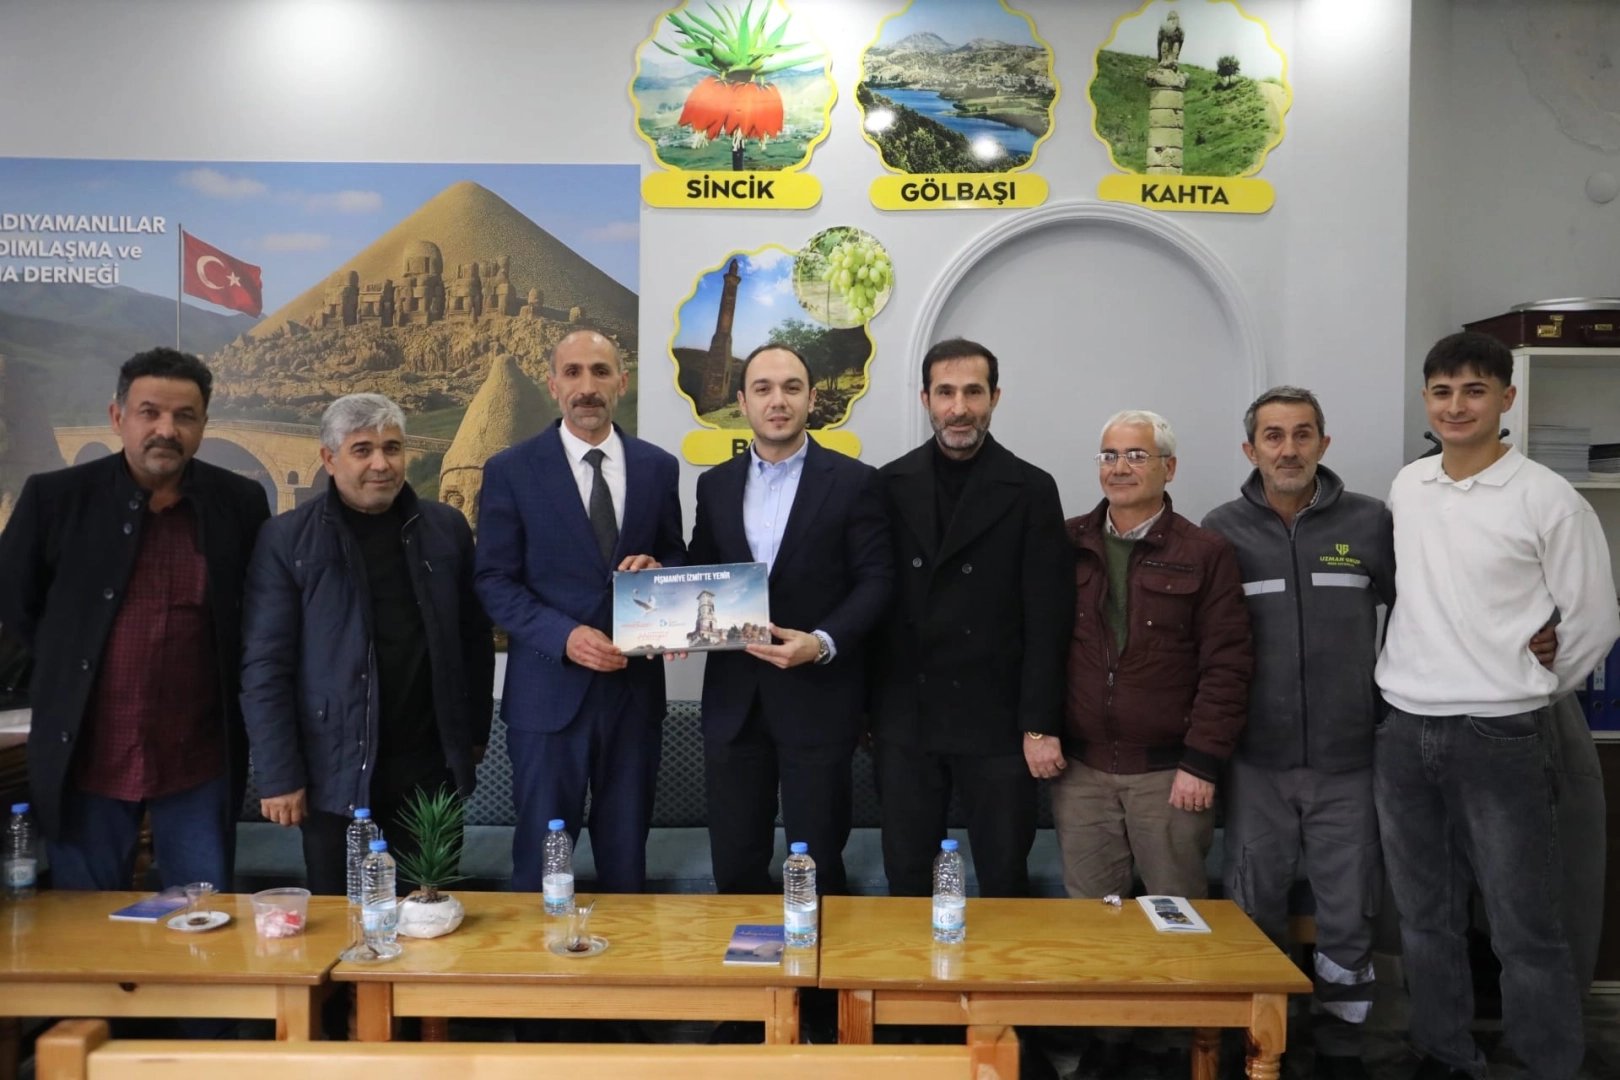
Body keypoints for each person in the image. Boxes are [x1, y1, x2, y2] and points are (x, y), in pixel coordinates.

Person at [1374, 332, 1619, 1080]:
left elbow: (1595, 621)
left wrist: (1534, 683)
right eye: (1443, 392)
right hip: (1405, 726)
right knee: (1424, 917)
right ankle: (1445, 1052)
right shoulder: (1408, 486)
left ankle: (1546, 1063)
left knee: (1524, 924)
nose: (1457, 406)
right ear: (1426, 399)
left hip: (1503, 732)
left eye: (1475, 391)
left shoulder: (1548, 498)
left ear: (1506, 399)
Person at [0, 347, 270, 890]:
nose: (166, 429)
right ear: (117, 416)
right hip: (87, 760)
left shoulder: (240, 504)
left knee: (202, 917)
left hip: (198, 762)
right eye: (150, 412)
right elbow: (15, 607)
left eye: (184, 416)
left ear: (203, 425)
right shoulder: (55, 500)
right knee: (86, 921)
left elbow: (256, 621)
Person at [1201, 387, 1396, 1079]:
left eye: (1303, 434)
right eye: (1274, 436)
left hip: (1350, 761)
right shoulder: (1221, 530)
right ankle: (1260, 1045)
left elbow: (1423, 615)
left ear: (1323, 443)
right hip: (1256, 762)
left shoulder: (1371, 523)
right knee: (1252, 911)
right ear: (1250, 449)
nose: (1289, 449)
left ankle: (1342, 1049)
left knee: (1348, 915)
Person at [240, 394, 495, 895]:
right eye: (362, 450)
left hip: (429, 769)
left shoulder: (446, 528)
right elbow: (265, 665)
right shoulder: (287, 539)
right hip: (334, 774)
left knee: (431, 913)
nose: (381, 463)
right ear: (329, 458)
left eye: (392, 448)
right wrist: (278, 774)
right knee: (344, 920)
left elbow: (473, 637)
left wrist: (473, 733)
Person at [474, 331, 684, 894]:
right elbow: (492, 580)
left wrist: (661, 571)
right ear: (552, 385)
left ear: (622, 382)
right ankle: (539, 956)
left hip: (634, 699)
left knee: (626, 863)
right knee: (542, 867)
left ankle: (626, 955)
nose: (587, 387)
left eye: (600, 371)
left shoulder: (658, 467)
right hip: (547, 698)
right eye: (572, 373)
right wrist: (563, 636)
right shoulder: (511, 469)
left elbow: (677, 557)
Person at [870, 338, 1072, 899]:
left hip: (998, 721)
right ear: (926, 399)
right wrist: (867, 711)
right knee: (908, 877)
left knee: (1004, 877)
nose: (959, 408)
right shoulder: (887, 484)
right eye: (945, 392)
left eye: (973, 392)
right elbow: (873, 602)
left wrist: (1040, 725)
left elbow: (1049, 619)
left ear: (995, 398)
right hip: (907, 717)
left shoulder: (1032, 488)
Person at [686, 344, 892, 895]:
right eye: (763, 388)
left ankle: (818, 959)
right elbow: (703, 570)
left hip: (818, 700)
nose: (777, 400)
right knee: (735, 866)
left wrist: (822, 642)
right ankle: (747, 958)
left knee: (817, 867)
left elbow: (877, 581)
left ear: (811, 398)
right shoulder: (715, 484)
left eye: (791, 388)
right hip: (733, 705)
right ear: (742, 402)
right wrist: (668, 604)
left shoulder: (856, 481)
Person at [1056, 409, 1252, 899]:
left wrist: (1202, 763)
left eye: (1136, 455)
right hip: (1081, 776)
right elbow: (1038, 646)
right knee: (1091, 922)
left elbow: (1227, 665)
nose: (1119, 468)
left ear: (1170, 467)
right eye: (1109, 456)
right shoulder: (1065, 543)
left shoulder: (1205, 552)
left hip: (1169, 777)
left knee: (1177, 919)